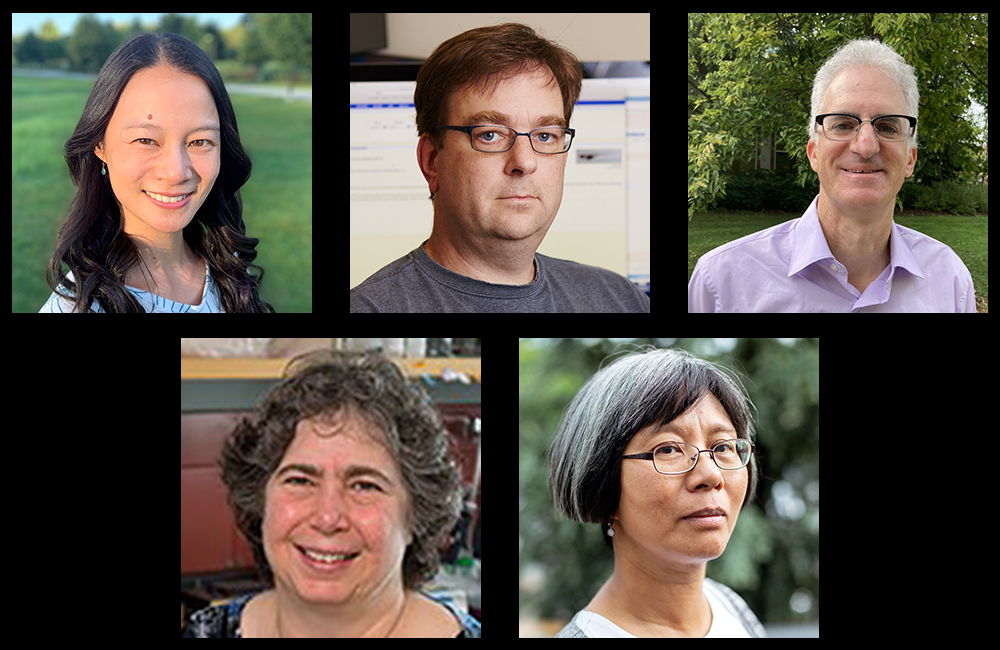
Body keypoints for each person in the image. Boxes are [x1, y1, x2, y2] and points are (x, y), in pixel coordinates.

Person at [350, 23, 649, 313]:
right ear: (431, 161)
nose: (524, 162)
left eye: (545, 136)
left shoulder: (622, 300)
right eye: (489, 135)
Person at [183, 352, 480, 637]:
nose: (327, 517)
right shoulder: (206, 631)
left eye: (364, 486)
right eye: (300, 481)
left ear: (417, 515)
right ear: (260, 501)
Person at [688, 39, 975, 313]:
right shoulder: (721, 283)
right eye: (843, 125)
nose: (865, 146)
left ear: (910, 159)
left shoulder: (949, 280)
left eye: (887, 127)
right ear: (813, 152)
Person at [40, 32, 272, 313]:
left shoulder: (226, 264)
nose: (176, 172)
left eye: (199, 142)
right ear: (99, 145)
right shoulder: (78, 308)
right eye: (146, 141)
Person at [549, 349, 765, 638]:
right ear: (601, 479)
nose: (711, 475)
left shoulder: (730, 608)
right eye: (668, 449)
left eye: (723, 447)